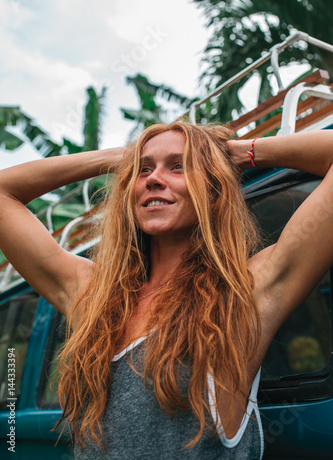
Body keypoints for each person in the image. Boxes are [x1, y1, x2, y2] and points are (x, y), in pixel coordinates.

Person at [0, 121, 333, 460]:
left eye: (179, 166)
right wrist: (120, 158)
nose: (153, 179)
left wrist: (239, 152)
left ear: (213, 186)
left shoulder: (245, 292)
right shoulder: (94, 295)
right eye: (143, 171)